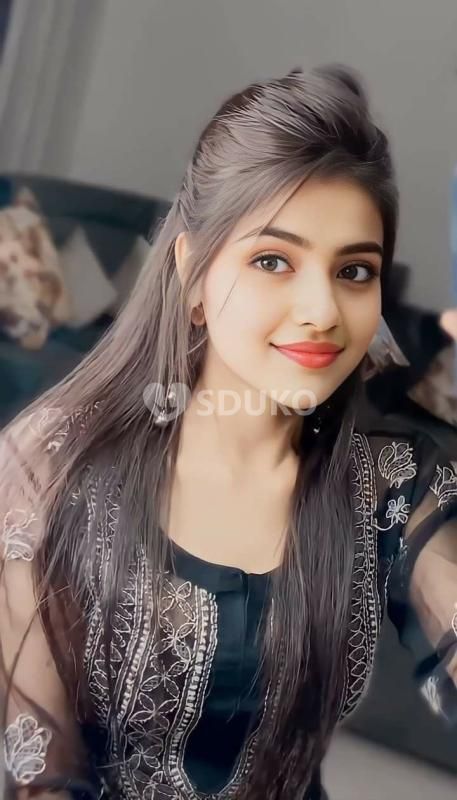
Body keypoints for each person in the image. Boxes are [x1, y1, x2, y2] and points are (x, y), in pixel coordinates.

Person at [1, 65, 456, 800]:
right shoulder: (51, 467)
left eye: (354, 271)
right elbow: (41, 777)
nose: (321, 311)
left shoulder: (392, 488)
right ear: (193, 276)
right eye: (273, 260)